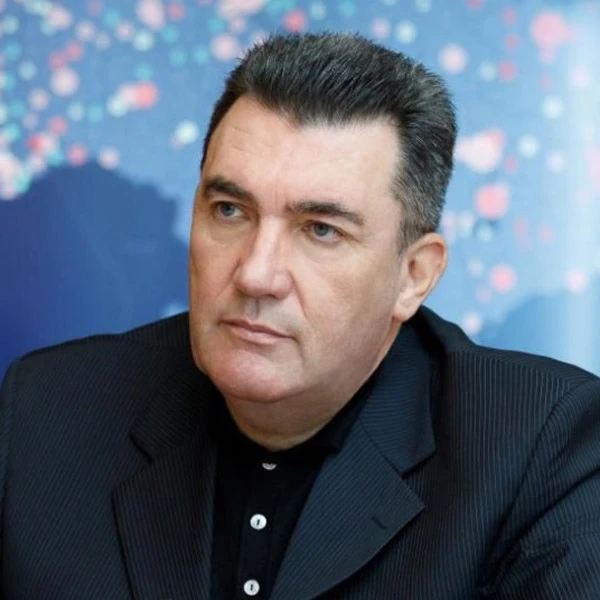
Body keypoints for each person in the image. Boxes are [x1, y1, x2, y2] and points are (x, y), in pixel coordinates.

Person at [1, 32, 600, 600]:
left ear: (414, 275)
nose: (256, 274)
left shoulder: (541, 448)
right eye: (230, 210)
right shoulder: (46, 408)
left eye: (321, 230)